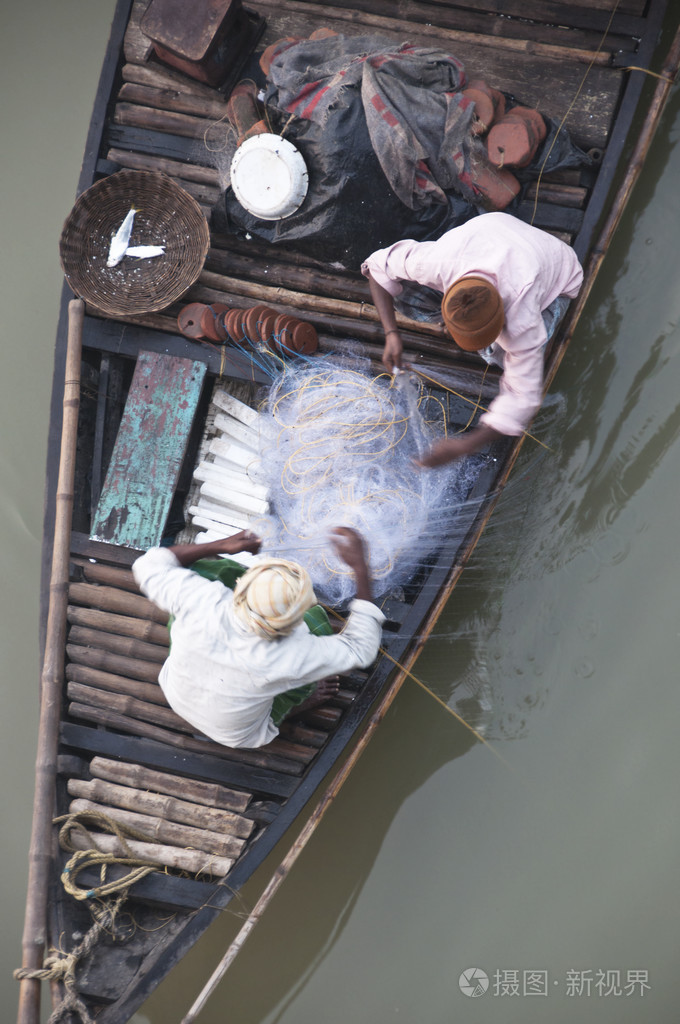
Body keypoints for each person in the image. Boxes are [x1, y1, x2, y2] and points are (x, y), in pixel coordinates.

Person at [361, 211, 584, 467]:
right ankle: (472, 331)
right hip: (495, 235)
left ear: (503, 317)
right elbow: (377, 265)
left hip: (557, 277)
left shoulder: (522, 320)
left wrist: (465, 445)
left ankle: (492, 343)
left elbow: (523, 397)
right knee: (406, 299)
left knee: (495, 354)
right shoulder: (436, 262)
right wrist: (391, 334)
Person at [132, 526, 384, 749]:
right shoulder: (291, 655)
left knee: (200, 569)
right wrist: (360, 567)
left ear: (244, 588)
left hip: (175, 693)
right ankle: (300, 703)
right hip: (237, 734)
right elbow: (360, 648)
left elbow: (148, 564)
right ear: (294, 617)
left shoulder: (203, 600)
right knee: (318, 622)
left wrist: (223, 545)